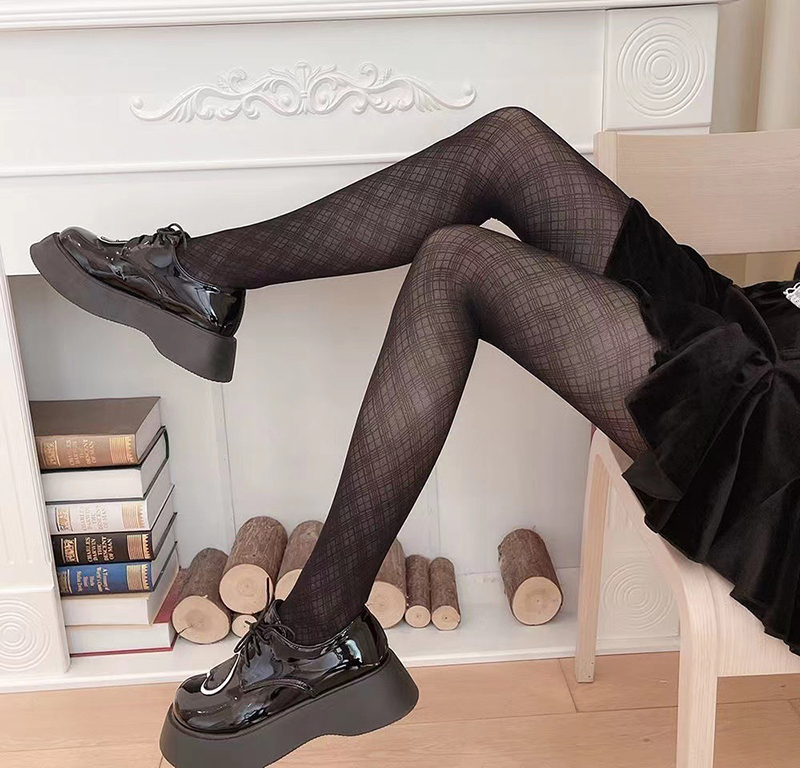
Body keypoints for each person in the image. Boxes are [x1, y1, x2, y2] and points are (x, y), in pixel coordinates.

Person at [30, 108, 800, 768]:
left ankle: (314, 634)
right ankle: (195, 277)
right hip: (768, 323)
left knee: (455, 262)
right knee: (507, 142)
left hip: (778, 426)